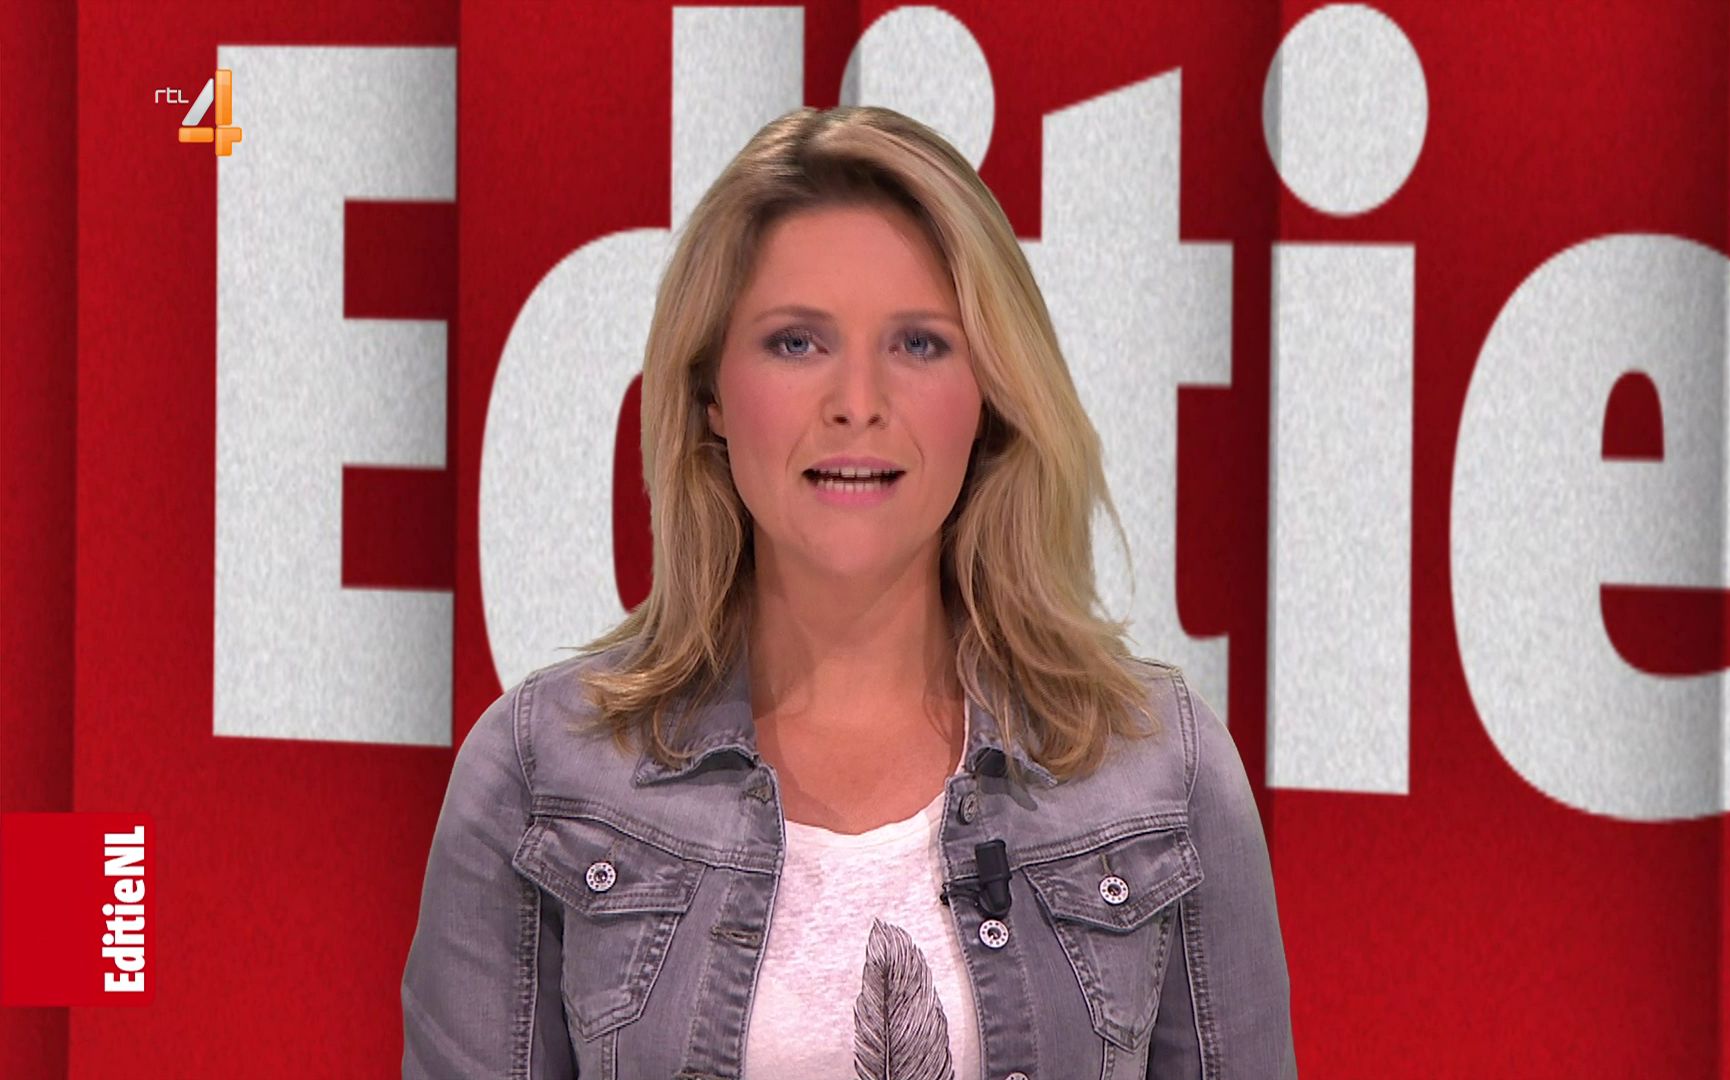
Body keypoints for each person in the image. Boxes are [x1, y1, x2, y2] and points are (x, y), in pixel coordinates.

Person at [401, 104, 1296, 1080]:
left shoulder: (1159, 772)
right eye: (797, 343)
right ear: (710, 393)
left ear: (991, 395)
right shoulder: (541, 776)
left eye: (919, 344)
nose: (857, 403)